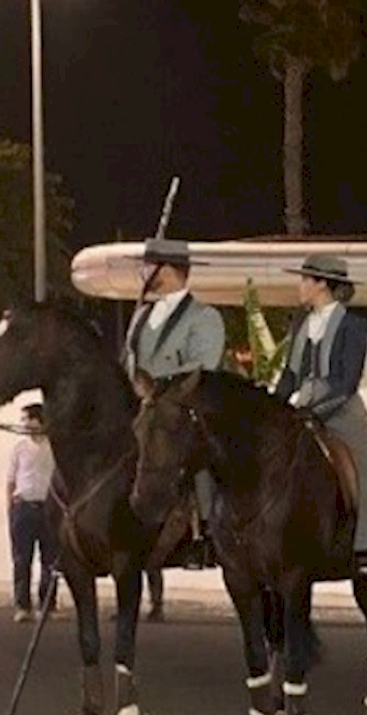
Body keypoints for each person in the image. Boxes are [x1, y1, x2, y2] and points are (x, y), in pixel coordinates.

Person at [272, 254, 367, 573]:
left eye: (305, 280)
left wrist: (317, 408)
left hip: (341, 409)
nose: (300, 286)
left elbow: (347, 380)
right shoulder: (301, 323)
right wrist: (274, 406)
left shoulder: (353, 325)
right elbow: (291, 373)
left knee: (362, 464)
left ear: (322, 285)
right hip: (301, 406)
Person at [126, 237, 227, 603]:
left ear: (167, 271)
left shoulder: (205, 317)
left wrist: (160, 387)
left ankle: (207, 534)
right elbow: (130, 363)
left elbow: (205, 366)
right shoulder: (140, 316)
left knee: (199, 456)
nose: (143, 273)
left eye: (148, 267)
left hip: (182, 407)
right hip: (144, 407)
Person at [7, 403, 56, 622]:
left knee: (50, 561)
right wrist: (10, 508)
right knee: (21, 559)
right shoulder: (19, 447)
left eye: (28, 419)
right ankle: (22, 606)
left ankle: (46, 605)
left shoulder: (54, 446)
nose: (25, 424)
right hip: (23, 508)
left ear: (40, 420)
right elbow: (10, 480)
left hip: (48, 509)